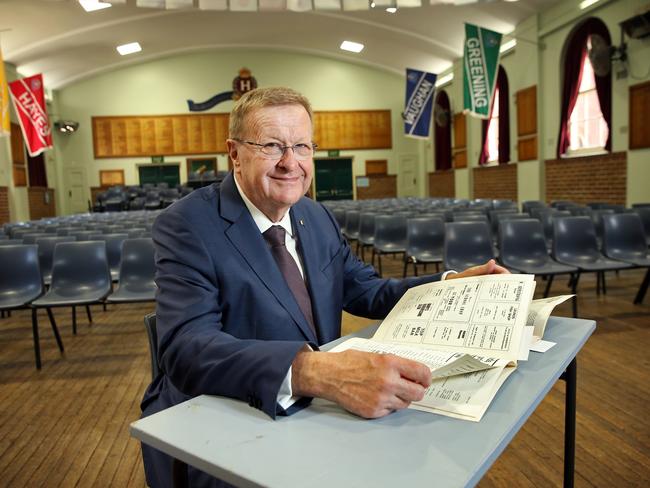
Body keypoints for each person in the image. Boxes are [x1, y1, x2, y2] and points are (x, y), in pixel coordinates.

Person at [141, 86, 508, 487]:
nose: (290, 163)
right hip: (223, 417)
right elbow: (185, 347)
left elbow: (366, 290)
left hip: (314, 410)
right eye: (271, 146)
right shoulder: (187, 224)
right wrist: (315, 371)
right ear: (234, 153)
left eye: (302, 146)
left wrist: (450, 286)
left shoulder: (315, 216)